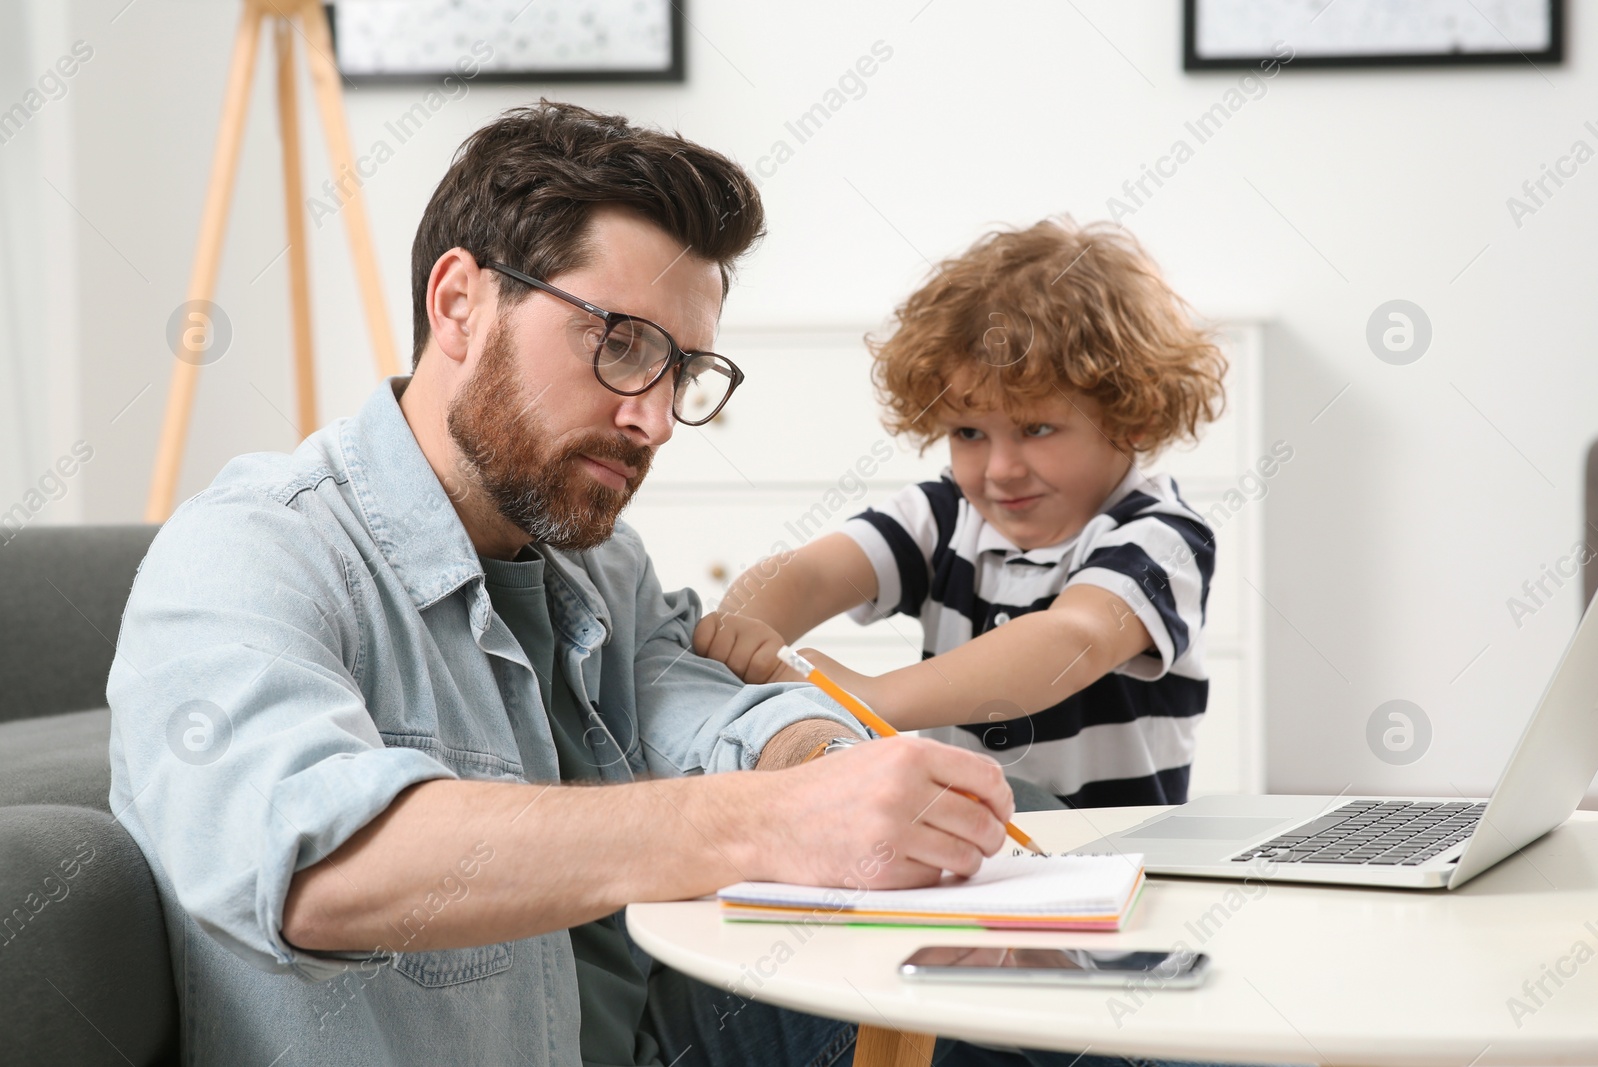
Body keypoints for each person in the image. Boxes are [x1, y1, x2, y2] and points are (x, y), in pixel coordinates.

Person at [107, 103, 1157, 1067]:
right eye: (620, 344)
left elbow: (706, 711)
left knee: (1099, 998)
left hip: (665, 1029)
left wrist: (828, 762)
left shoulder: (596, 560)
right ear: (460, 302)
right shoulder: (249, 551)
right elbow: (308, 865)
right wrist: (767, 819)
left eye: (683, 372)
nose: (653, 418)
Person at [695, 219, 1227, 808]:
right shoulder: (943, 516)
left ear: (1132, 417)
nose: (999, 469)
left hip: (1122, 858)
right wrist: (746, 634)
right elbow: (810, 574)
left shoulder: (1160, 537)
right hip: (973, 854)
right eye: (970, 432)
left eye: (1037, 428)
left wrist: (873, 695)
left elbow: (1071, 640)